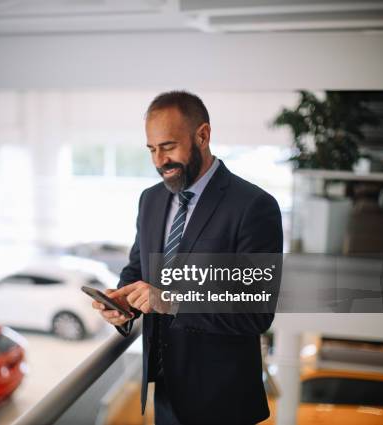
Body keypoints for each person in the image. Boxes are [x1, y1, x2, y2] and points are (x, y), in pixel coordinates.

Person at [92, 91, 283, 425]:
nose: (158, 161)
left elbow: (256, 312)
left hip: (224, 403)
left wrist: (171, 301)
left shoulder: (254, 206)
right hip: (165, 394)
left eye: (168, 147)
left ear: (203, 135)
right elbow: (138, 268)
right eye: (152, 149)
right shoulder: (150, 200)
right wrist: (122, 303)